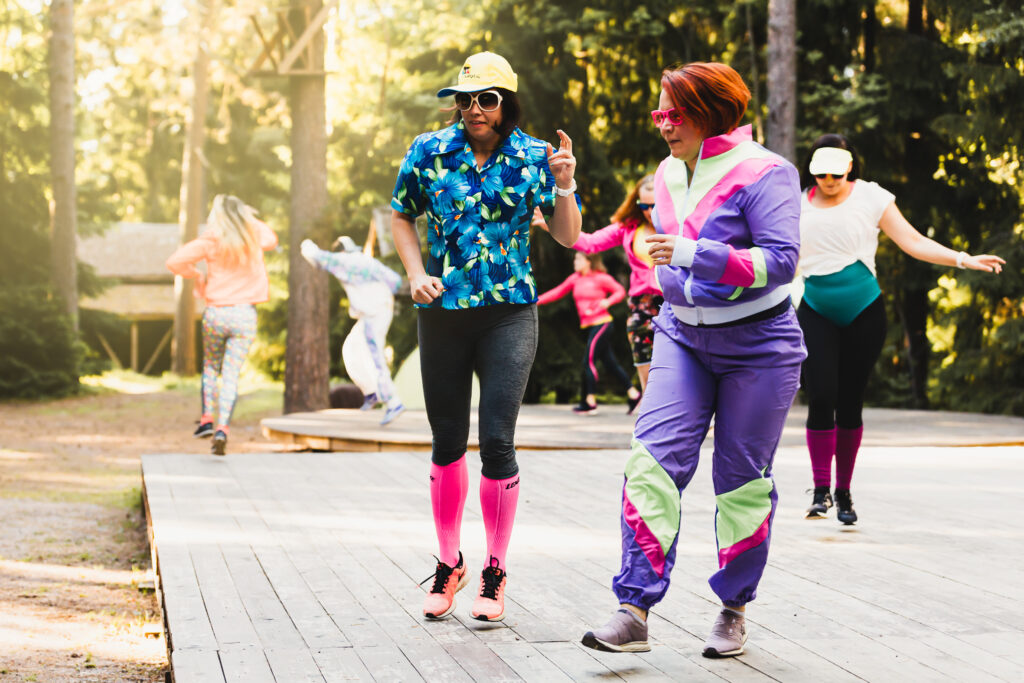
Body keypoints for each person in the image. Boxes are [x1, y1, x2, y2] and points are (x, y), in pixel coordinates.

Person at [580, 62, 806, 659]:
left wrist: (691, 253)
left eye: (672, 113)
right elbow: (671, 257)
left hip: (759, 345)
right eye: (658, 113)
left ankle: (732, 610)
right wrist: (669, 270)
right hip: (682, 337)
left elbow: (780, 262)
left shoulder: (767, 171)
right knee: (651, 463)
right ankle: (633, 610)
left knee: (740, 482)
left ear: (711, 110)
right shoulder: (667, 171)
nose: (662, 125)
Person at [389, 51, 581, 623]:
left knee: (497, 441)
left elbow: (568, 238)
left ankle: (495, 571)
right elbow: (402, 214)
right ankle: (449, 563)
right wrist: (415, 273)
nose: (473, 109)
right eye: (464, 98)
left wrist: (566, 185)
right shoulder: (428, 151)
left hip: (509, 315)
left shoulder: (533, 158)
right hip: (442, 312)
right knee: (447, 441)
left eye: (486, 99)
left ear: (506, 102)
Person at [797, 134, 1005, 524]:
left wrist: (963, 259)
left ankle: (843, 494)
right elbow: (777, 255)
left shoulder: (872, 196)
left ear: (850, 168)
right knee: (821, 393)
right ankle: (820, 489)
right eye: (820, 173)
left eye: (836, 174)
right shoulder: (795, 205)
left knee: (850, 401)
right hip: (815, 309)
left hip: (864, 311)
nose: (828, 180)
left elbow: (912, 240)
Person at [166, 194, 278, 456]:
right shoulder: (253, 236)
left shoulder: (212, 239)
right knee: (230, 375)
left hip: (216, 313)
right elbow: (271, 238)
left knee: (210, 367)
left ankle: (206, 418)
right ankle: (222, 429)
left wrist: (196, 274)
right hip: (244, 315)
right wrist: (248, 220)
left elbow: (174, 262)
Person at [535, 174, 662, 396]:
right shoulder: (628, 228)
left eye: (655, 205)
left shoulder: (680, 224)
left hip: (674, 303)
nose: (649, 211)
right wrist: (553, 227)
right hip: (642, 306)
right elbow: (591, 243)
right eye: (644, 205)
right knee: (647, 370)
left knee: (678, 364)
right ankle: (651, 416)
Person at [299, 235, 405, 425]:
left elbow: (317, 257)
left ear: (341, 251)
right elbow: (395, 281)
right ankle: (371, 391)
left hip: (374, 312)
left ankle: (393, 401)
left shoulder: (347, 260)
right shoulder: (366, 261)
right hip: (376, 311)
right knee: (351, 348)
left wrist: (306, 244)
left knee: (375, 356)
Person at [537, 251, 640, 414]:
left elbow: (620, 291)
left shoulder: (601, 278)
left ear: (589, 261)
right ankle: (633, 394)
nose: (575, 262)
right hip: (590, 326)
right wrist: (535, 300)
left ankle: (590, 401)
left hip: (602, 324)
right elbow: (558, 292)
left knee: (588, 360)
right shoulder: (575, 278)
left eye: (578, 259)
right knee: (610, 363)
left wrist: (607, 301)